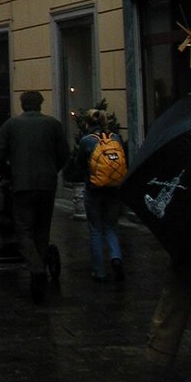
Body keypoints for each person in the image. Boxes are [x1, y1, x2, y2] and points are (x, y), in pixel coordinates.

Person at [0, 90, 69, 302]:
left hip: (22, 185)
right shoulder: (53, 124)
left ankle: (36, 270)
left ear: (23, 105)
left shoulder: (11, 125)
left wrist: (8, 173)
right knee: (42, 229)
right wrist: (52, 170)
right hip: (47, 185)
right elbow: (64, 153)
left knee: (23, 229)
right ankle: (39, 269)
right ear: (40, 104)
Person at [77, 108, 125, 283]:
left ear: (88, 124)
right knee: (111, 227)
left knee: (96, 229)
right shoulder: (116, 138)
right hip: (113, 189)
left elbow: (79, 163)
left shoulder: (86, 141)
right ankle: (116, 257)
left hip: (94, 190)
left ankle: (99, 271)